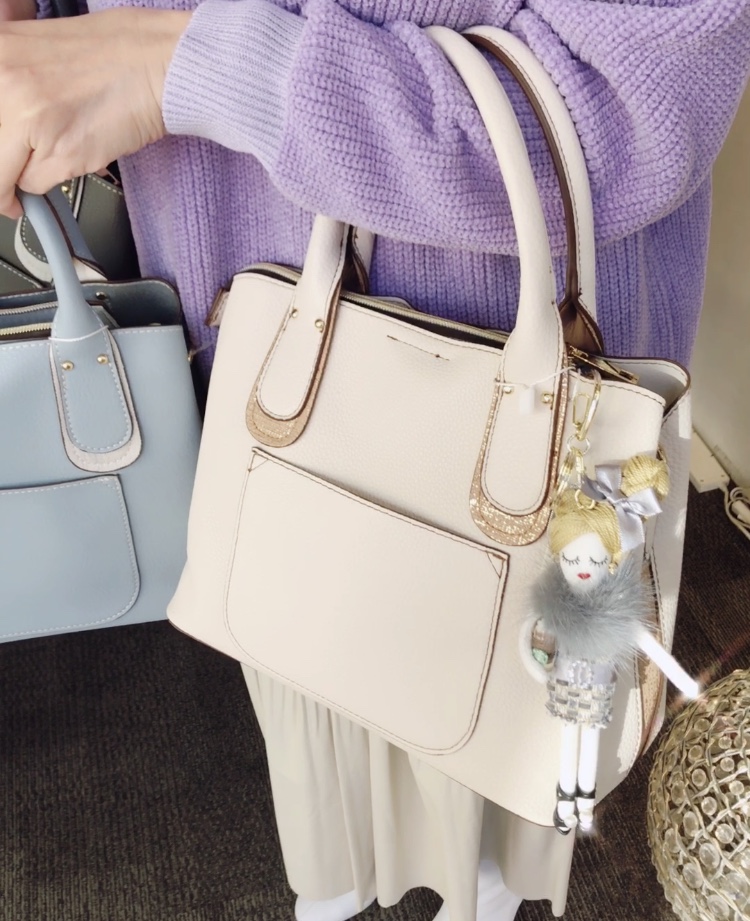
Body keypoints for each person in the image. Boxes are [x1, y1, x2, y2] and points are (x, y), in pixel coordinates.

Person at [1, 1, 749, 919]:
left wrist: (178, 68)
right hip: (255, 342)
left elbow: (632, 98)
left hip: (511, 388)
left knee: (492, 743)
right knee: (301, 671)